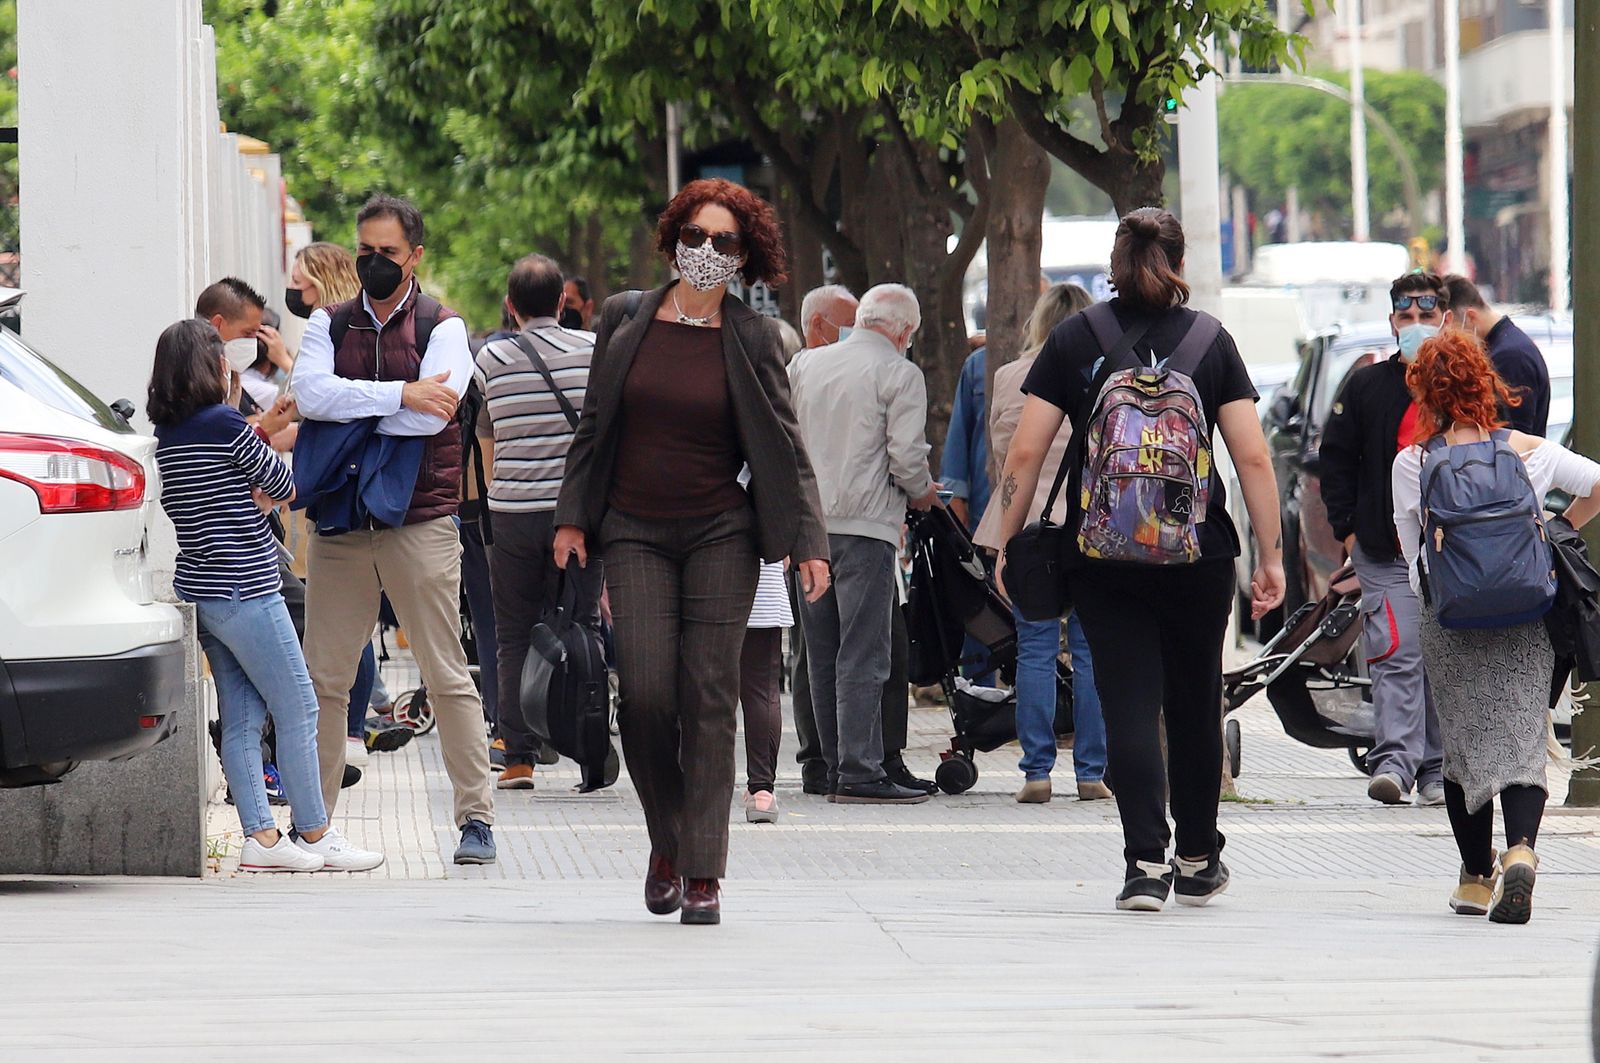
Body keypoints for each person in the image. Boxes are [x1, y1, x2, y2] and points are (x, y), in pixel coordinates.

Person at [553, 178, 829, 925]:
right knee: (644, 692)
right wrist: (572, 517)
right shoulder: (625, 318)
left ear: (745, 259)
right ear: (675, 238)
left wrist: (808, 541)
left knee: (710, 696)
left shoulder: (754, 336)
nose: (706, 252)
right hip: (634, 528)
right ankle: (666, 838)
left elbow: (783, 445)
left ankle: (701, 869)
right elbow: (595, 424)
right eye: (695, 236)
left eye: (725, 242)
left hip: (721, 532)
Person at [993, 208, 1286, 912]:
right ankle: (1197, 855)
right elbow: (1251, 455)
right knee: (1192, 702)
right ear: (1180, 258)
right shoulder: (1212, 341)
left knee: (1125, 701)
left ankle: (1143, 864)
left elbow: (1026, 452)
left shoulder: (1074, 337)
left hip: (1102, 553)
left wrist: (1004, 540)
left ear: (1115, 260)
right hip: (1199, 552)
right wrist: (1270, 556)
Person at [293, 194, 498, 866]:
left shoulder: (444, 325)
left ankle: (476, 818)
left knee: (445, 672)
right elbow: (311, 395)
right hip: (342, 520)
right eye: (365, 249)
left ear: (414, 256)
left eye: (387, 251)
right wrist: (398, 394)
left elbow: (432, 416)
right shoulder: (329, 322)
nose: (372, 261)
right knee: (323, 677)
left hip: (419, 519)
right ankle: (314, 826)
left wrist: (361, 409)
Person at [147, 318, 382, 873]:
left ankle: (262, 839)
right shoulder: (226, 424)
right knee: (299, 703)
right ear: (211, 367)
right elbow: (282, 485)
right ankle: (316, 831)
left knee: (243, 713)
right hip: (247, 584)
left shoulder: (170, 437)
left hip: (203, 588)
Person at [1392, 328, 1600, 923]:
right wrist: (1561, 533)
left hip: (1451, 618)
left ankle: (1476, 877)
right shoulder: (1528, 451)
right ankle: (1522, 853)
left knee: (1462, 745)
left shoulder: (1414, 463)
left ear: (1424, 392)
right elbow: (1596, 482)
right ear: (1486, 384)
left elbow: (1414, 559)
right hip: (1527, 614)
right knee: (1521, 739)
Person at [790, 283, 940, 806]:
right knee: (864, 651)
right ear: (905, 331)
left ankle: (833, 767)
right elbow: (905, 458)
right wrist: (924, 496)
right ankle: (859, 770)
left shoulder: (806, 366)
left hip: (808, 529)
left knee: (821, 650)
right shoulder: (900, 374)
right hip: (867, 529)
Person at [974, 283, 1111, 803]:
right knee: (1090, 650)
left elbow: (1005, 456)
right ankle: (1091, 771)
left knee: (1033, 648)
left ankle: (1036, 770)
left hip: (1030, 528)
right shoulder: (1105, 374)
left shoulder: (1010, 377)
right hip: (1093, 527)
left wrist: (1004, 543)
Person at [1321, 271, 1451, 806]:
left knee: (1443, 659)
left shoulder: (1462, 387)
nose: (1416, 326)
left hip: (1452, 557)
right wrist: (1348, 532)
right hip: (1385, 553)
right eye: (1406, 317)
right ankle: (1396, 763)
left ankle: (1440, 769)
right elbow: (1335, 461)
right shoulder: (1366, 386)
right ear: (1392, 321)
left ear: (1445, 320)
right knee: (1397, 653)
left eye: (1425, 317)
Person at [475, 253, 598, 790]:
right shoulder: (595, 352)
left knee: (512, 636)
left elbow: (486, 438)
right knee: (584, 628)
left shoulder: (490, 361)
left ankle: (518, 758)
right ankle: (591, 755)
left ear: (509, 306)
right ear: (562, 303)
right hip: (578, 516)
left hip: (513, 517)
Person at [1442, 274, 1551, 436]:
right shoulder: (1509, 346)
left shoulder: (1509, 357)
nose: (1451, 339)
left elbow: (1514, 438)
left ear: (1470, 317)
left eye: (1452, 329)